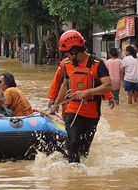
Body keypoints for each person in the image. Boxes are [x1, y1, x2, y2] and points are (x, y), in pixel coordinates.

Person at [51, 30, 112, 163]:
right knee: (73, 142)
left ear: (74, 51)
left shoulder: (98, 64)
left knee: (84, 151)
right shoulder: (67, 65)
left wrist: (87, 92)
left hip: (92, 113)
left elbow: (108, 86)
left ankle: (81, 179)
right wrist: (55, 105)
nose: (66, 56)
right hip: (72, 110)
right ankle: (72, 176)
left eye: (67, 53)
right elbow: (65, 85)